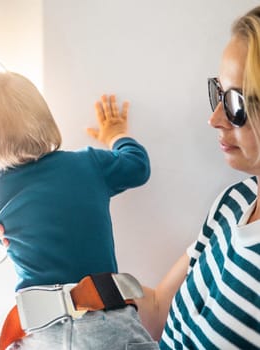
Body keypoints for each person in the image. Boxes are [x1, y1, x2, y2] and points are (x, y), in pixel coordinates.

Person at [0, 71, 157, 349]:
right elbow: (138, 167)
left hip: (42, 334)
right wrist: (116, 134)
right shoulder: (88, 165)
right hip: (107, 324)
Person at [135, 6, 260, 349]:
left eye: (235, 103)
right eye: (217, 93)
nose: (214, 118)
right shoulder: (232, 202)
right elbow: (159, 309)